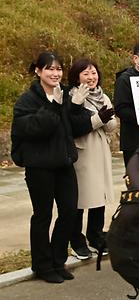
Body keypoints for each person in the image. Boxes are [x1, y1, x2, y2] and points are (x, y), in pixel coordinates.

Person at [11, 52, 93, 284]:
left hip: (64, 163)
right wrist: (54, 107)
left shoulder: (66, 94)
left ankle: (58, 260)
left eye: (58, 69)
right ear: (38, 71)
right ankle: (42, 265)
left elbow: (74, 128)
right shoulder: (27, 100)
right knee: (43, 216)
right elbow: (34, 129)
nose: (55, 73)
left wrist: (75, 108)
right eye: (50, 69)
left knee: (68, 212)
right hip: (40, 167)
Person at [67, 58, 117, 259]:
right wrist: (99, 119)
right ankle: (76, 241)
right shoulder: (72, 96)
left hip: (101, 152)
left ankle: (95, 236)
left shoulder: (102, 96)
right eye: (86, 73)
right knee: (81, 198)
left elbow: (112, 126)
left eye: (94, 72)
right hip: (83, 153)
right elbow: (75, 126)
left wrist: (107, 120)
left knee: (100, 197)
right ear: (76, 76)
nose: (91, 77)